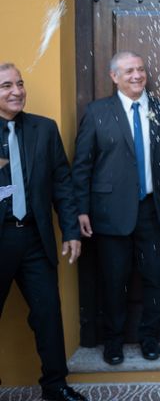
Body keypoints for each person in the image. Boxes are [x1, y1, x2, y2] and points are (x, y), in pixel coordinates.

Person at [72, 51, 160, 365]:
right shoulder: (97, 112)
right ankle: (113, 342)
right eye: (129, 71)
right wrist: (81, 209)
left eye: (140, 69)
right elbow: (82, 166)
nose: (137, 75)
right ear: (114, 77)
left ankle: (150, 338)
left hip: (154, 209)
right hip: (109, 213)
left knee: (155, 277)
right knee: (113, 280)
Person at [0, 63, 86, 401]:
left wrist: (71, 231)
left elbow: (62, 186)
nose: (17, 91)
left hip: (35, 238)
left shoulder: (45, 130)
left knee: (48, 314)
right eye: (6, 85)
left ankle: (55, 386)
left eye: (19, 84)